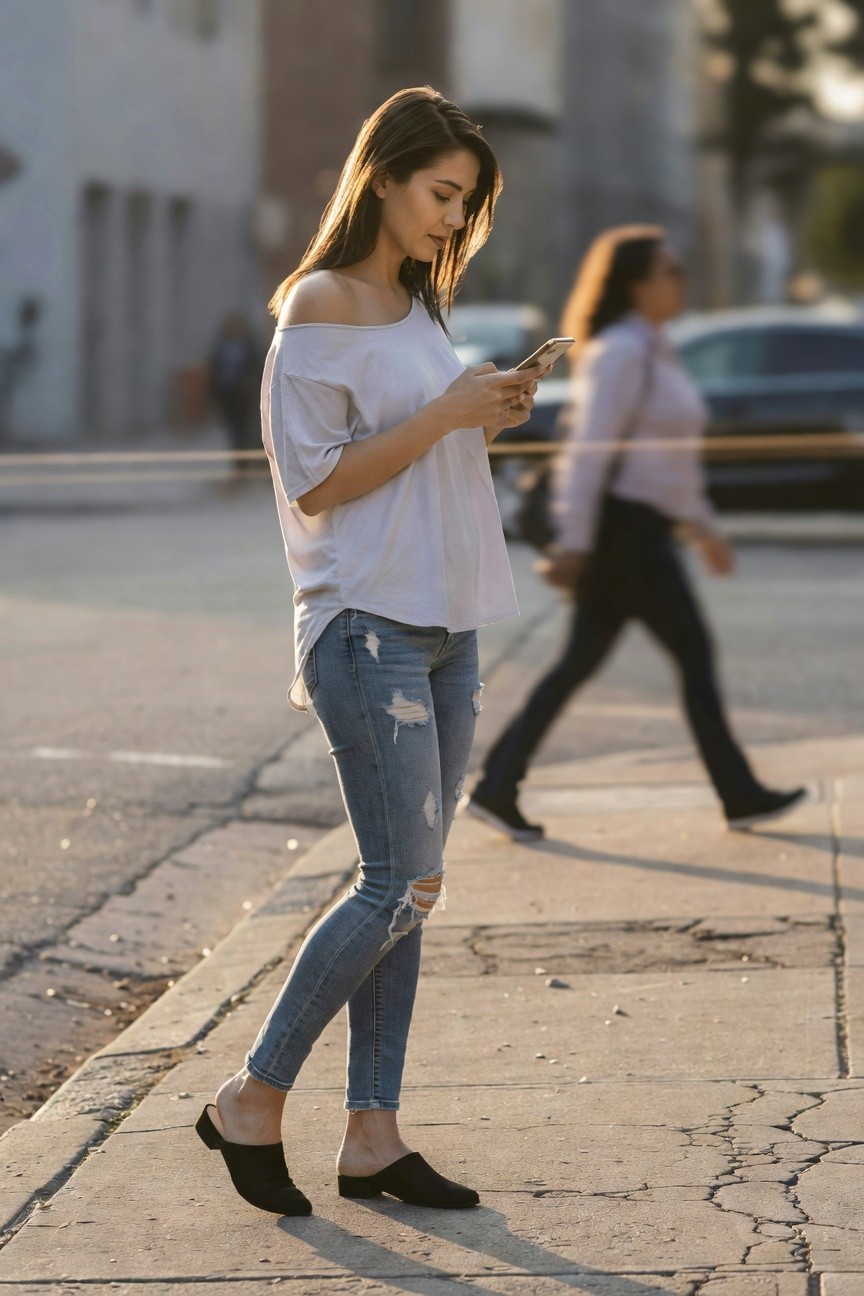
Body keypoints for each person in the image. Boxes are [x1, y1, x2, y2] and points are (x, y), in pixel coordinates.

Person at [194, 87, 547, 1215]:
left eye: (468, 203)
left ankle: (373, 1137)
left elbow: (414, 440)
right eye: (443, 193)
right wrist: (446, 414)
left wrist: (485, 410)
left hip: (445, 622)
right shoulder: (318, 304)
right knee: (392, 878)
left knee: (417, 889)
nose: (454, 219)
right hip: (366, 624)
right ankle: (250, 1096)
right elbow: (317, 478)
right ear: (383, 176)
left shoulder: (409, 305)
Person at [468, 225, 806, 842]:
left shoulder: (653, 346)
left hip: (636, 530)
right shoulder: (622, 350)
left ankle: (497, 784)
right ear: (638, 285)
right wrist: (573, 538)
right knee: (691, 656)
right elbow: (589, 451)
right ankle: (740, 794)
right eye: (670, 272)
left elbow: (671, 461)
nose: (681, 281)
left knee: (577, 664)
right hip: (625, 534)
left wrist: (702, 528)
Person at [209, 313, 262, 483]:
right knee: (233, 432)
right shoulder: (222, 348)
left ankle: (245, 466)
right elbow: (214, 371)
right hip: (227, 396)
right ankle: (238, 466)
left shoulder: (248, 347)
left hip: (244, 397)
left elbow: (256, 368)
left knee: (245, 432)